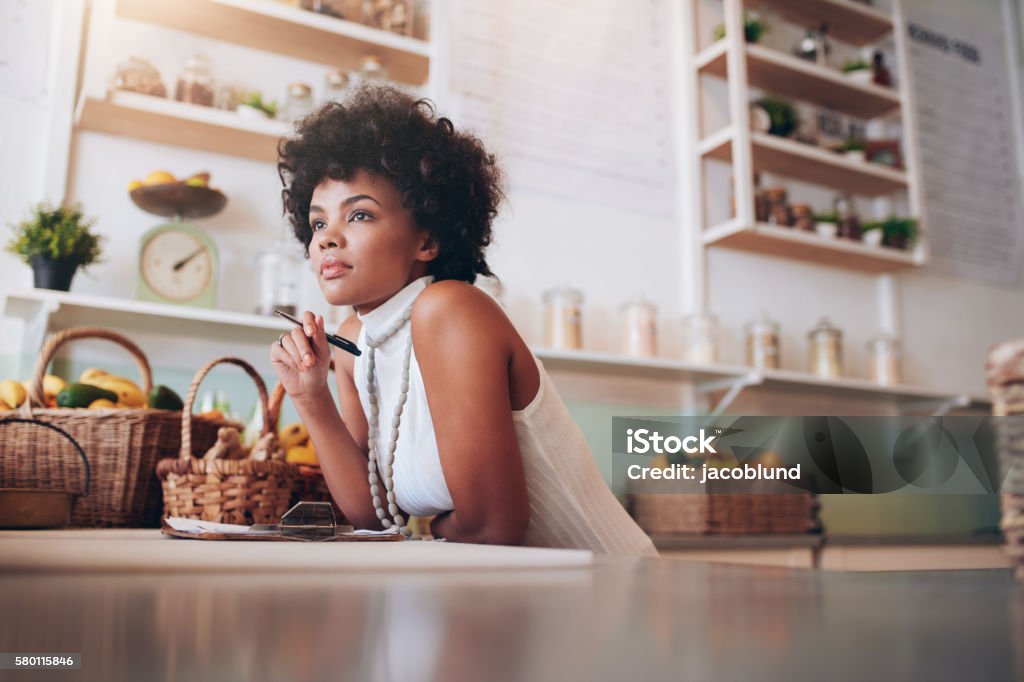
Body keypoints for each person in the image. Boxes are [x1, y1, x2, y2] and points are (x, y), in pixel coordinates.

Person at [272, 84, 657, 556]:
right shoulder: (356, 345)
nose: (327, 238)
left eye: (360, 215)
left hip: (610, 600)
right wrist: (310, 397)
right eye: (316, 223)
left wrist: (424, 532)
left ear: (427, 241)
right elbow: (371, 515)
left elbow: (493, 529)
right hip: (509, 601)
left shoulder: (450, 311)